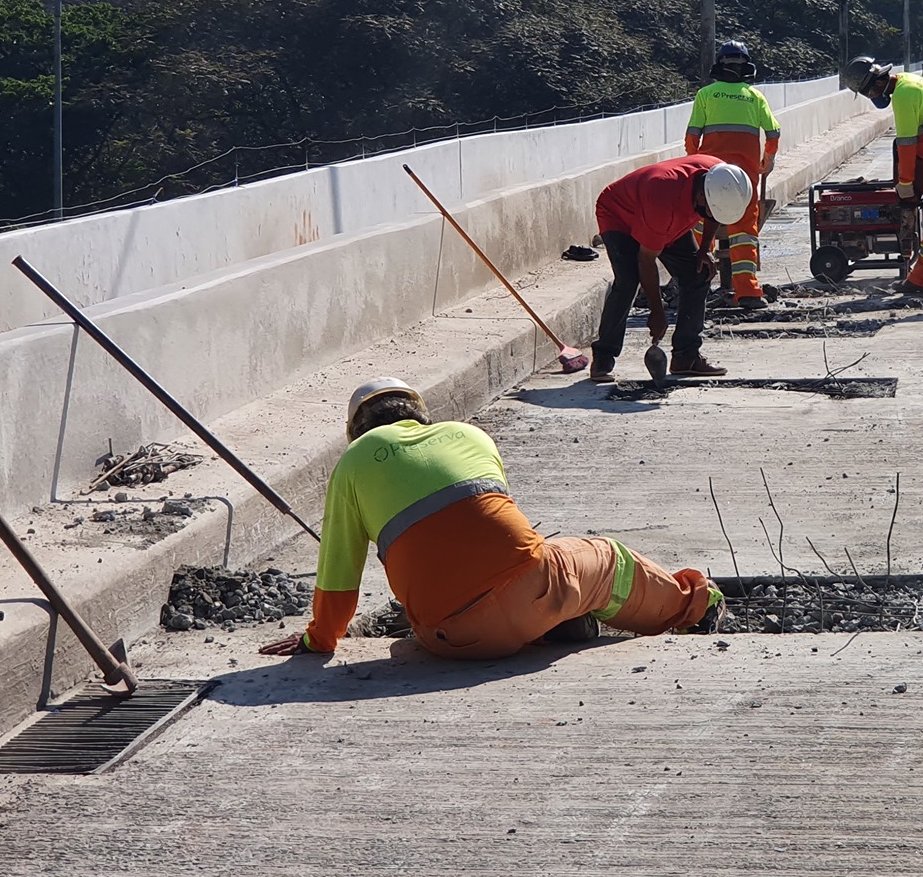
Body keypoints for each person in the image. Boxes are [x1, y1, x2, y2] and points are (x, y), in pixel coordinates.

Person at [258, 379, 722, 661]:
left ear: (355, 431)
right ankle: (696, 607)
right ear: (420, 415)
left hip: (446, 641)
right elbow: (498, 533)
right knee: (606, 559)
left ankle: (552, 622)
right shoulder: (467, 436)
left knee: (409, 642)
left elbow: (339, 577)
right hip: (530, 591)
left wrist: (318, 640)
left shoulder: (352, 465)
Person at [590, 154, 753, 381]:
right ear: (700, 194)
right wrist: (657, 311)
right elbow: (646, 260)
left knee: (699, 273)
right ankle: (603, 357)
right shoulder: (662, 199)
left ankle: (686, 356)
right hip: (620, 214)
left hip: (668, 214)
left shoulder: (720, 177)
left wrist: (704, 249)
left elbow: (713, 214)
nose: (710, 214)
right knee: (628, 281)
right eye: (707, 209)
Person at [841, 54, 923, 298]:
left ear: (878, 83)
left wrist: (905, 184)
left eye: (868, 92)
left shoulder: (903, 96)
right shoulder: (908, 82)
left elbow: (906, 145)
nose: (870, 97)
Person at [685, 40, 780, 308]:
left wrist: (694, 167)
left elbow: (692, 137)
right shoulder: (755, 97)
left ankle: (695, 289)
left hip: (708, 176)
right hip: (745, 180)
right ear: (746, 67)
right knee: (744, 234)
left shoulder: (706, 94)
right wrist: (767, 162)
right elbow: (773, 134)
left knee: (701, 228)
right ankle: (748, 292)